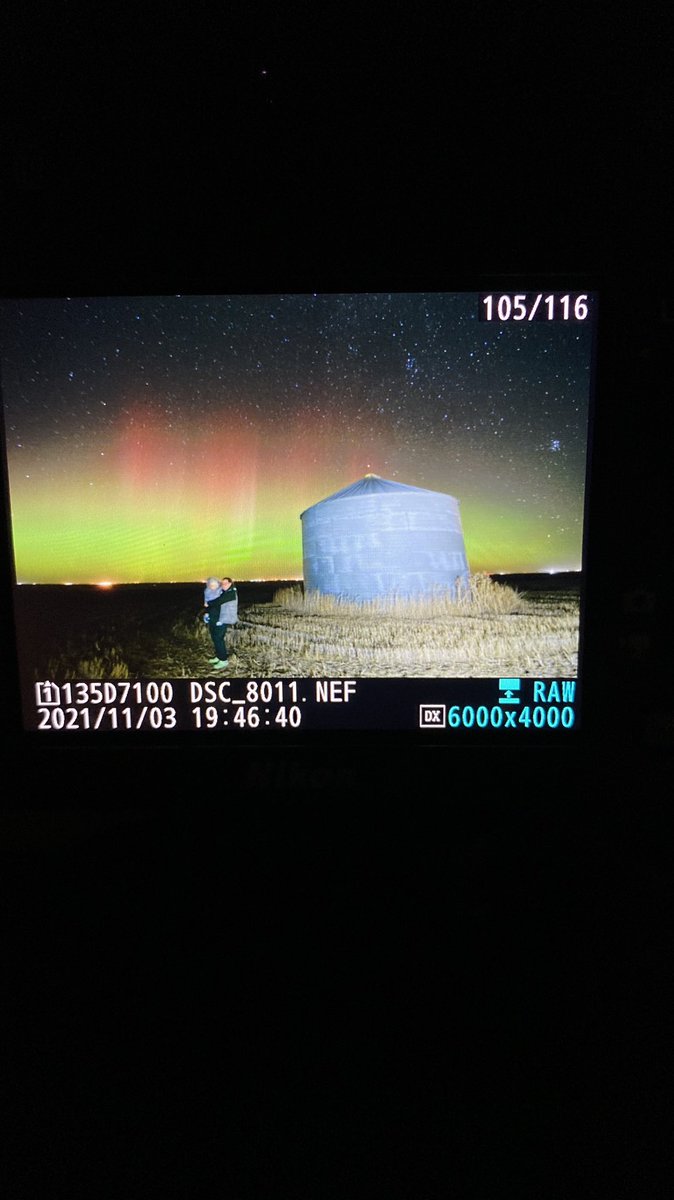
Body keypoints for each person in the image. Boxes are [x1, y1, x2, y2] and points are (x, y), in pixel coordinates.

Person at [202, 575, 238, 669]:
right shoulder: (222, 592)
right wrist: (207, 613)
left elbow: (218, 601)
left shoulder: (231, 593)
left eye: (226, 583)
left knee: (219, 639)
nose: (224, 584)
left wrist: (207, 603)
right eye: (222, 583)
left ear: (231, 583)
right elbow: (214, 605)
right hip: (214, 618)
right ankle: (219, 657)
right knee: (214, 638)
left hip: (222, 620)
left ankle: (223, 660)